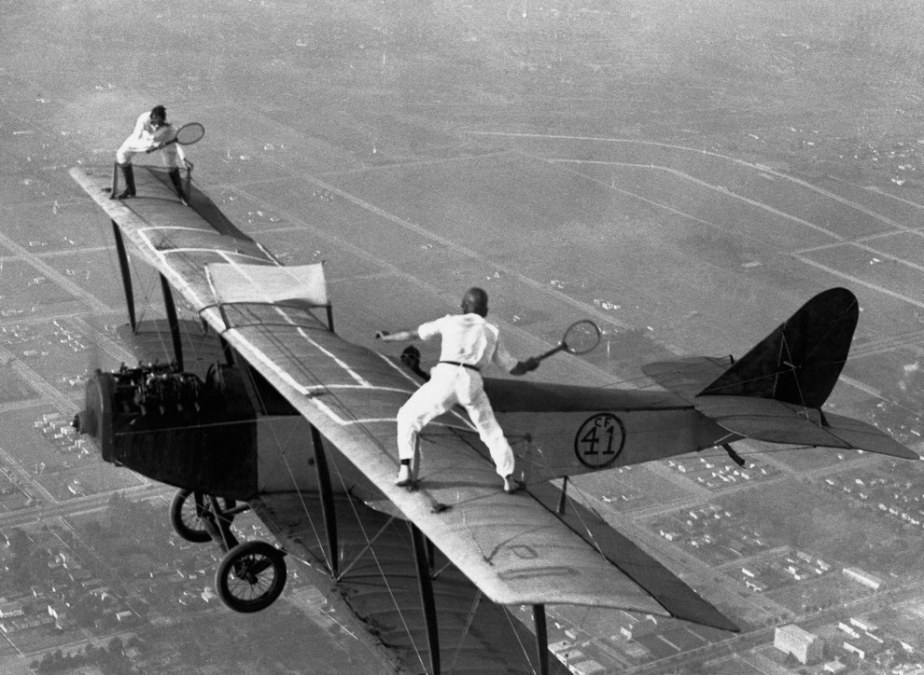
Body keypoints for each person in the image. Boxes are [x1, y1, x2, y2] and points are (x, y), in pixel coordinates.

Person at [376, 287, 540, 493]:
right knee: (491, 432)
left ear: (463, 306)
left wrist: (387, 338)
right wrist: (529, 365)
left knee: (407, 416)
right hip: (472, 381)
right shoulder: (492, 331)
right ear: (486, 310)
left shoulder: (449, 321)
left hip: (445, 376)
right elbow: (513, 368)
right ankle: (508, 479)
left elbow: (413, 334)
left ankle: (405, 470)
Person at [114, 105, 187, 203]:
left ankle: (181, 194)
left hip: (166, 140)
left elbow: (176, 141)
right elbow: (136, 137)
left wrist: (183, 158)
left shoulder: (168, 125)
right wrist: (151, 145)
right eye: (157, 121)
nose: (158, 124)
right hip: (145, 140)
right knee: (121, 155)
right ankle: (130, 190)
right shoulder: (143, 119)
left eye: (161, 122)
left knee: (170, 165)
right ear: (153, 116)